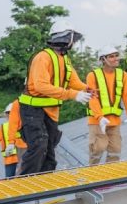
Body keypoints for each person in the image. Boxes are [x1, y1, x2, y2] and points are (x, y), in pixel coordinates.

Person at [17, 19, 92, 175]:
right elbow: (41, 86)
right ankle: (24, 182)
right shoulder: (42, 57)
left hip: (50, 110)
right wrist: (73, 94)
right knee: (39, 144)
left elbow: (73, 81)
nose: (74, 42)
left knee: (50, 148)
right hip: (32, 110)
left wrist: (87, 89)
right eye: (72, 38)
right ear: (65, 38)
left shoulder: (65, 59)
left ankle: (46, 181)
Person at [85, 46, 127, 164]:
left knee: (115, 150)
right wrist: (100, 117)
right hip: (97, 121)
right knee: (98, 148)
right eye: (111, 56)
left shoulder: (123, 75)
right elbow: (92, 99)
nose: (116, 58)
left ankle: (110, 174)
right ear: (103, 59)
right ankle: (93, 173)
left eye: (116, 55)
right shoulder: (92, 76)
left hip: (114, 121)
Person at [0, 101, 27, 178]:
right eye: (8, 113)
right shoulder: (3, 128)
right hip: (10, 161)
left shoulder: (25, 125)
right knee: (10, 182)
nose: (10, 115)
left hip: (24, 160)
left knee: (24, 180)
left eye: (11, 113)